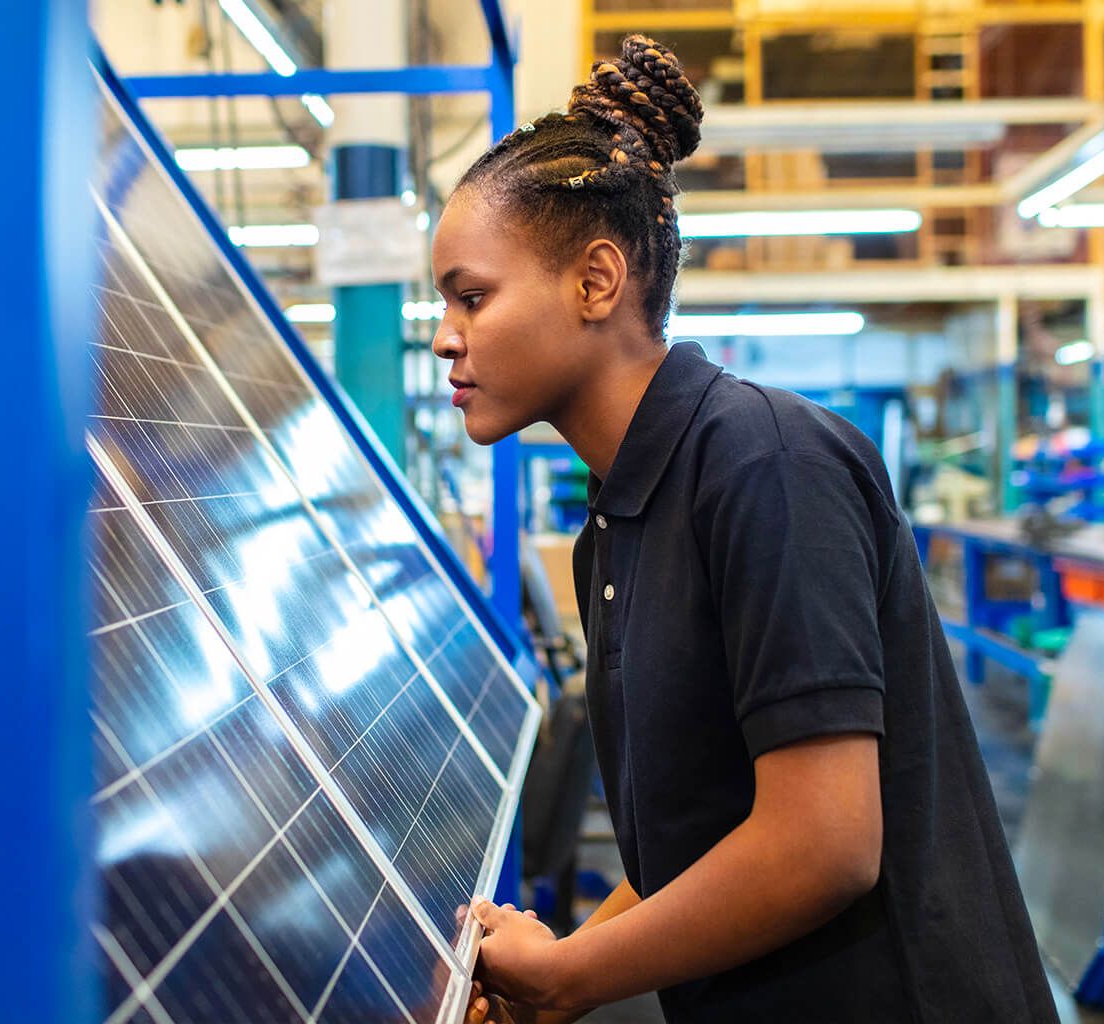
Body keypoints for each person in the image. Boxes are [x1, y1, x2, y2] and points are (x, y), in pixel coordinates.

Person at [433, 35, 1059, 1024]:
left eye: (471, 296)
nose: (444, 334)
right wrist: (564, 971)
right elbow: (708, 842)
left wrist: (577, 975)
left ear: (596, 283)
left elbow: (825, 844)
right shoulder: (622, 525)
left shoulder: (765, 467)